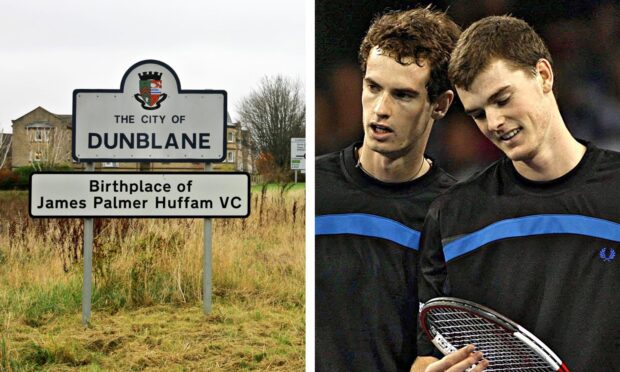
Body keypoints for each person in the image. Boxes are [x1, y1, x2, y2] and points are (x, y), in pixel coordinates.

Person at [413, 15, 620, 372]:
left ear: (543, 75)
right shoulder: (451, 215)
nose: (493, 123)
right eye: (478, 113)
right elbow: (427, 357)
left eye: (502, 99)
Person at [315, 7, 461, 371]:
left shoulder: (458, 215)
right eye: (373, 87)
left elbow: (431, 352)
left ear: (440, 104)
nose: (380, 109)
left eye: (403, 95)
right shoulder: (313, 191)